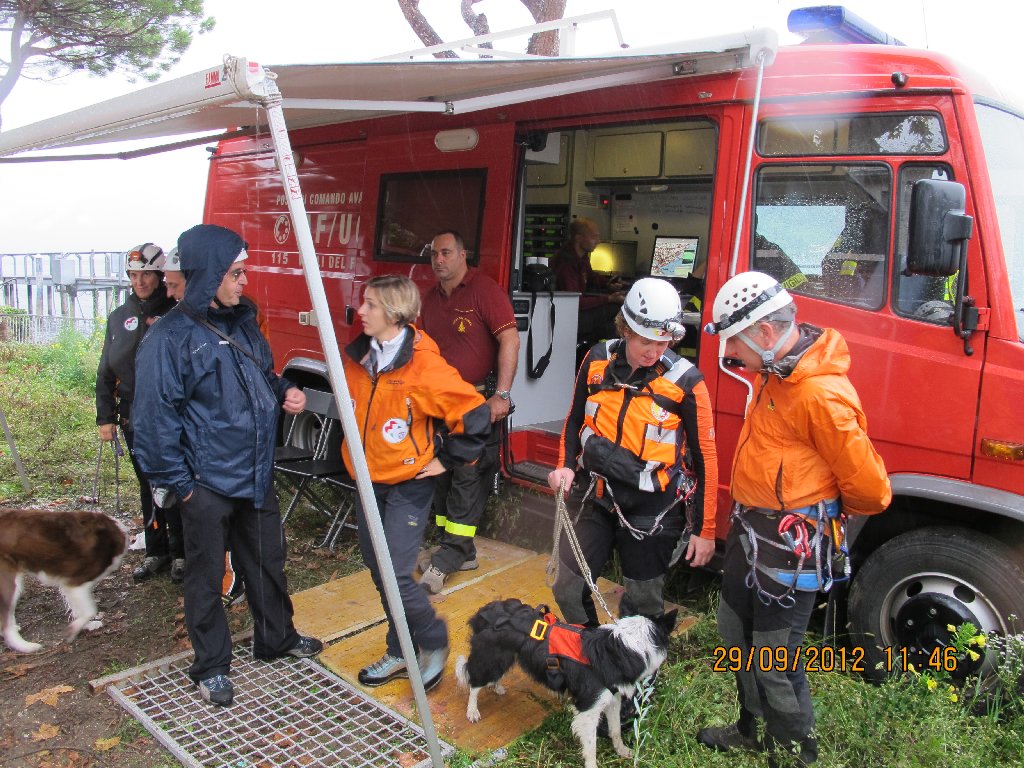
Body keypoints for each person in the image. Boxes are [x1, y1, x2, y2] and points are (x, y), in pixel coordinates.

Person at [697, 271, 891, 767]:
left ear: (764, 333)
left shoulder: (820, 395)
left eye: (734, 344)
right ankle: (751, 729)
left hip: (791, 548)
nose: (729, 357)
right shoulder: (773, 370)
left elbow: (872, 490)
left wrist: (816, 514)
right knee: (734, 631)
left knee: (775, 659)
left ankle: (794, 756)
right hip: (750, 533)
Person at [133, 224, 322, 708]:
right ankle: (212, 666)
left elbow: (262, 373)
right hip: (205, 482)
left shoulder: (241, 324)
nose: (244, 281)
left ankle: (276, 638)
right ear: (211, 273)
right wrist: (182, 486)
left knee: (266, 562)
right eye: (236, 273)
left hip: (255, 474)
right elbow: (154, 423)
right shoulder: (169, 339)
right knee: (206, 576)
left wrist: (284, 392)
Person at [342, 275, 490, 690]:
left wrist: (446, 458)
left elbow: (475, 415)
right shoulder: (358, 356)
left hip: (408, 483)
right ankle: (400, 649)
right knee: (377, 566)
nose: (362, 311)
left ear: (393, 313)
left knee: (393, 570)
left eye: (370, 305)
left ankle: (433, 639)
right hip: (368, 482)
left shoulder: (424, 365)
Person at [547, 277, 719, 629]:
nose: (654, 351)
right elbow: (574, 418)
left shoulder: (687, 383)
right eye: (645, 341)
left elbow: (706, 459)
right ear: (625, 328)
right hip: (598, 497)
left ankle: (638, 671)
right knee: (567, 587)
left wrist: (706, 529)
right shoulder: (596, 360)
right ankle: (593, 650)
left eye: (663, 342)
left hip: (651, 511)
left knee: (641, 605)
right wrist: (564, 466)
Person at [417, 229, 519, 593]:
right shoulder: (428, 299)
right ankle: (459, 549)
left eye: (446, 252)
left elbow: (509, 337)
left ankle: (448, 557)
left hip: (476, 404)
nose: (439, 260)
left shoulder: (484, 290)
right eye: (434, 254)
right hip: (438, 407)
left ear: (463, 255)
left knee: (466, 478)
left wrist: (502, 395)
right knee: (441, 477)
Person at [95, 243, 180, 582]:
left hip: (171, 414)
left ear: (160, 275)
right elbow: (105, 369)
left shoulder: (177, 310)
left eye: (146, 273)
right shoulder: (119, 317)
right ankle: (156, 550)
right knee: (147, 483)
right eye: (133, 275)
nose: (140, 281)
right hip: (133, 415)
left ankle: (183, 552)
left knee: (175, 480)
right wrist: (105, 417)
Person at [552, 217, 627, 344]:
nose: (598, 241)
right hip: (570, 316)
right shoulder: (566, 263)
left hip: (578, 311)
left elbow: (591, 276)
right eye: (594, 237)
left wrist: (609, 285)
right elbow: (575, 302)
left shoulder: (581, 257)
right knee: (618, 311)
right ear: (579, 238)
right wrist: (609, 298)